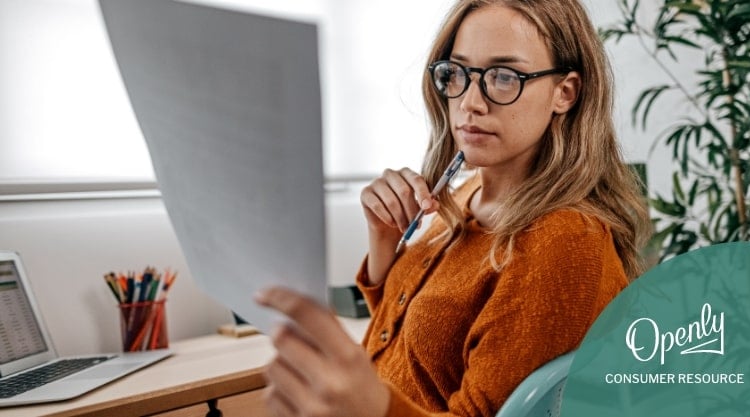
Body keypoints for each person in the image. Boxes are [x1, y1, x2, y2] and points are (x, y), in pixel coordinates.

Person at [254, 0, 651, 416]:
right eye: (457, 73)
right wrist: (384, 243)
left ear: (564, 93)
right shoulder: (467, 193)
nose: (470, 103)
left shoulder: (565, 242)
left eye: (503, 77)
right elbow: (418, 350)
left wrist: (372, 408)